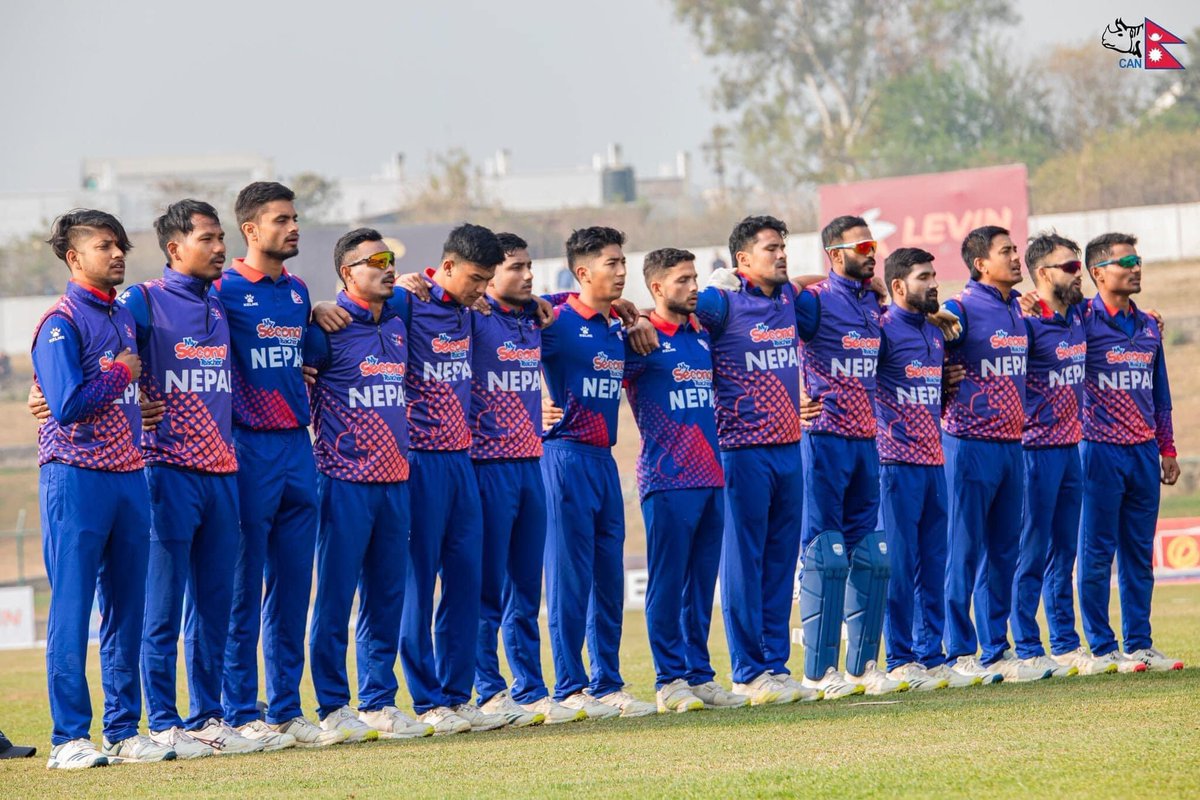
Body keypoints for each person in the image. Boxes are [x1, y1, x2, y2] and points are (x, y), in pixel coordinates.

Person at [122, 200, 262, 758]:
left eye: (221, 237)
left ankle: (208, 716)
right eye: (208, 239)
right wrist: (45, 390)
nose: (220, 247)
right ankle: (162, 720)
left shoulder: (221, 299)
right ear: (175, 248)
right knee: (161, 608)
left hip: (223, 473)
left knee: (214, 607)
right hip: (167, 471)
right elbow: (101, 352)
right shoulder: (144, 300)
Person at [32, 210, 169, 768]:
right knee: (71, 610)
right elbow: (64, 406)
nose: (117, 254)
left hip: (128, 476)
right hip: (76, 476)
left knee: (126, 610)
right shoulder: (60, 322)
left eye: (121, 246)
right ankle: (69, 739)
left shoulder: (121, 318)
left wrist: (141, 404)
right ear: (74, 258)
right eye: (104, 246)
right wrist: (121, 375)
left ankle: (123, 729)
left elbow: (118, 393)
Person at [216, 182, 340, 748]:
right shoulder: (220, 289)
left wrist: (316, 313)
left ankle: (286, 711)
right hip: (247, 448)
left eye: (296, 218)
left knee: (293, 590)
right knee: (242, 589)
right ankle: (239, 711)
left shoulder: (297, 292)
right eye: (281, 220)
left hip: (298, 448)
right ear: (251, 230)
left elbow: (307, 352)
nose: (293, 228)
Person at [304, 228, 433, 741]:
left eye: (389, 259)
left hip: (395, 481)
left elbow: (462, 288)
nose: (384, 266)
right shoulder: (325, 328)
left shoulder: (399, 318)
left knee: (386, 597)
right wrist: (313, 308)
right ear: (346, 273)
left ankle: (379, 701)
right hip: (342, 481)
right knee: (335, 598)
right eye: (372, 260)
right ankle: (334, 707)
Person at [693, 216, 816, 705]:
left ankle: (775, 667)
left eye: (784, 247)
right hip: (740, 452)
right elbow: (667, 308)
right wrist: (709, 285)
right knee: (745, 563)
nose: (782, 255)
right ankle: (747, 671)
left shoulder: (788, 299)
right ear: (743, 260)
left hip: (790, 449)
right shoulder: (721, 301)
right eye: (771, 249)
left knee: (780, 564)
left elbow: (822, 284)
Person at [540, 227, 657, 718]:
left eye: (623, 261)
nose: (623, 270)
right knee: (568, 578)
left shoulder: (617, 328)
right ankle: (569, 688)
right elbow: (504, 322)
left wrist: (636, 316)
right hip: (563, 456)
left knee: (607, 578)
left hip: (602, 460)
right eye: (612, 263)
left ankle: (608, 684)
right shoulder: (556, 317)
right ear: (583, 271)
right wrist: (533, 406)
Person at [623, 247, 747, 712]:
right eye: (682, 280)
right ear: (656, 289)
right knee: (668, 584)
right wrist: (553, 406)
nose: (693, 287)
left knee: (699, 586)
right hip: (666, 480)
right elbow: (592, 369)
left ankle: (700, 676)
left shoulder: (701, 334)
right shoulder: (642, 337)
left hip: (711, 477)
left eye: (695, 278)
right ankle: (669, 680)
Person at [467, 233, 583, 726]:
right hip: (486, 466)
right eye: (515, 267)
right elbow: (432, 290)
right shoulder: (471, 318)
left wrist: (621, 304)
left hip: (530, 463)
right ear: (488, 274)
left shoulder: (533, 317)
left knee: (524, 589)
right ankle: (488, 691)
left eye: (530, 266)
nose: (528, 274)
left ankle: (531, 689)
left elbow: (569, 299)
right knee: (486, 587)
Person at [797, 216, 905, 697]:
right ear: (836, 255)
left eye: (874, 243)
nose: (873, 252)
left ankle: (863, 667)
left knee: (874, 558)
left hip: (867, 443)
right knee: (826, 557)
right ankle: (819, 674)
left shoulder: (872, 307)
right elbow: (778, 295)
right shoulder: (817, 300)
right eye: (862, 246)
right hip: (823, 441)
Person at [940, 226, 1048, 684]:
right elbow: (928, 342)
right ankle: (957, 652)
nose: (1016, 256)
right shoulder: (960, 308)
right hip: (968, 444)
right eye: (1006, 251)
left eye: (1015, 249)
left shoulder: (1017, 310)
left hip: (1012, 446)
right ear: (981, 263)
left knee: (1004, 552)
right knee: (963, 552)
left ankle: (995, 649)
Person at [1077, 233, 1184, 672]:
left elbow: (1160, 394)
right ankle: (1102, 648)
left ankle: (1139, 643)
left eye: (1139, 259)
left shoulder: (1146, 325)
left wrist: (1168, 446)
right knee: (1097, 552)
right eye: (1126, 261)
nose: (1137, 267)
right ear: (1099, 272)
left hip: (1142, 453)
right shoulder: (1079, 321)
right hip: (1097, 451)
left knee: (1138, 553)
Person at [873, 248, 971, 691]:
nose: (934, 284)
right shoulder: (881, 330)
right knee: (899, 565)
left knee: (934, 564)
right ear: (897, 287)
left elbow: (934, 395)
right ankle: (900, 658)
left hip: (934, 461)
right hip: (894, 462)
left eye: (934, 275)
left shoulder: (935, 333)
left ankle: (933, 656)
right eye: (923, 277)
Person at [1009, 232, 1090, 678]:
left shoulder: (1079, 314)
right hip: (1033, 452)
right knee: (1030, 551)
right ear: (1042, 274)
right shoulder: (1024, 321)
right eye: (1070, 267)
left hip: (1070, 451)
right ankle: (1026, 645)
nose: (1079, 274)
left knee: (1065, 552)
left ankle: (1064, 643)